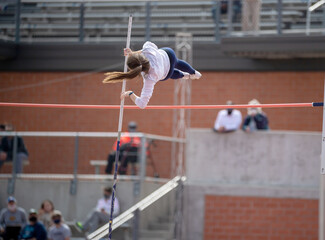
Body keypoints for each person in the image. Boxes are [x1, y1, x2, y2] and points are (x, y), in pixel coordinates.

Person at [103, 41, 202, 109]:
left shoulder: (148, 78)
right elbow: (150, 48)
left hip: (166, 72)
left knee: (168, 74)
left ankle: (185, 76)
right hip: (168, 55)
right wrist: (132, 53)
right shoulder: (147, 49)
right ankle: (193, 72)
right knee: (176, 62)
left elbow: (142, 104)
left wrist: (130, 94)